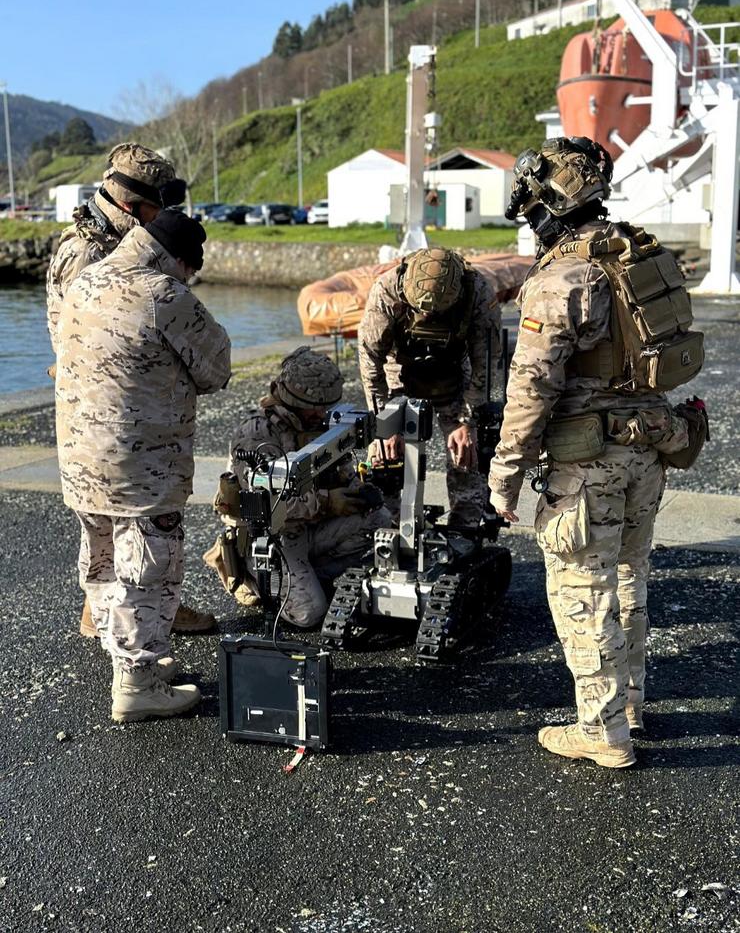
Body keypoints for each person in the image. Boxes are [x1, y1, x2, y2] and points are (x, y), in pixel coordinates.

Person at [488, 136, 701, 768]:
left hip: (589, 459)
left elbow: (531, 388)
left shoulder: (562, 277)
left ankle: (603, 732)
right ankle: (629, 702)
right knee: (630, 575)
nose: (528, 223)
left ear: (548, 205)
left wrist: (505, 477)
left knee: (582, 588)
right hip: (651, 445)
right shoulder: (634, 254)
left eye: (531, 210)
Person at [55, 211, 231, 722]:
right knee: (148, 570)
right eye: (189, 271)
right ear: (179, 260)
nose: (188, 280)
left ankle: (125, 658)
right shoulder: (165, 296)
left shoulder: (84, 280)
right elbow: (216, 368)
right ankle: (136, 683)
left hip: (80, 459)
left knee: (102, 556)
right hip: (142, 468)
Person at [46, 142, 215, 637]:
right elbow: (84, 344)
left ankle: (121, 613)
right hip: (104, 404)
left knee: (112, 521)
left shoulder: (114, 242)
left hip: (106, 402)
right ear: (131, 205)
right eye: (156, 208)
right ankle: (126, 617)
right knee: (125, 521)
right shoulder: (88, 251)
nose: (159, 218)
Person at [209, 347, 390, 629]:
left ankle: (307, 578)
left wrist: (357, 491)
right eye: (315, 407)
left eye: (326, 406)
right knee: (309, 615)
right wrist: (327, 502)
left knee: (379, 521)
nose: (322, 413)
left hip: (312, 529)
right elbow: (268, 504)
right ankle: (254, 581)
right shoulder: (257, 435)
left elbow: (342, 470)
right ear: (294, 400)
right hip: (274, 540)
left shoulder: (319, 423)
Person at [358, 247, 501, 529]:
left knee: (465, 454)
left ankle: (466, 524)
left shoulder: (478, 293)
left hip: (452, 374)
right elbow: (369, 358)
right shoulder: (387, 290)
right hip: (398, 373)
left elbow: (486, 362)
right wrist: (384, 427)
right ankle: (390, 523)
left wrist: (467, 421)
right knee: (385, 457)